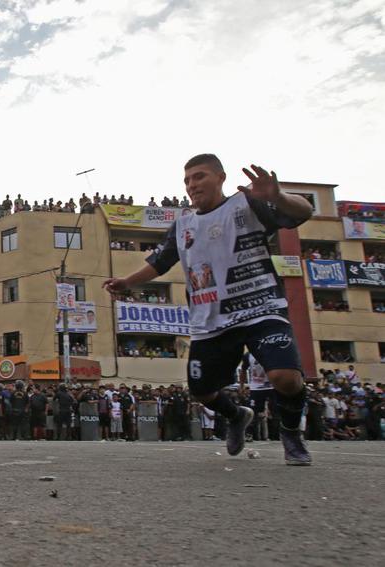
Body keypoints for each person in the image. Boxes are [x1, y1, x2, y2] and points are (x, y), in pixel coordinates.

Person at [103, 154, 314, 465]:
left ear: (220, 178)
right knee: (202, 392)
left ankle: (291, 434)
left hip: (261, 307)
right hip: (211, 321)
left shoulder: (246, 204)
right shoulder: (183, 225)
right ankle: (237, 415)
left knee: (285, 378)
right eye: (187, 180)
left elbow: (303, 213)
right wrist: (126, 281)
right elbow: (159, 262)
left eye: (199, 177)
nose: (192, 185)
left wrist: (278, 196)